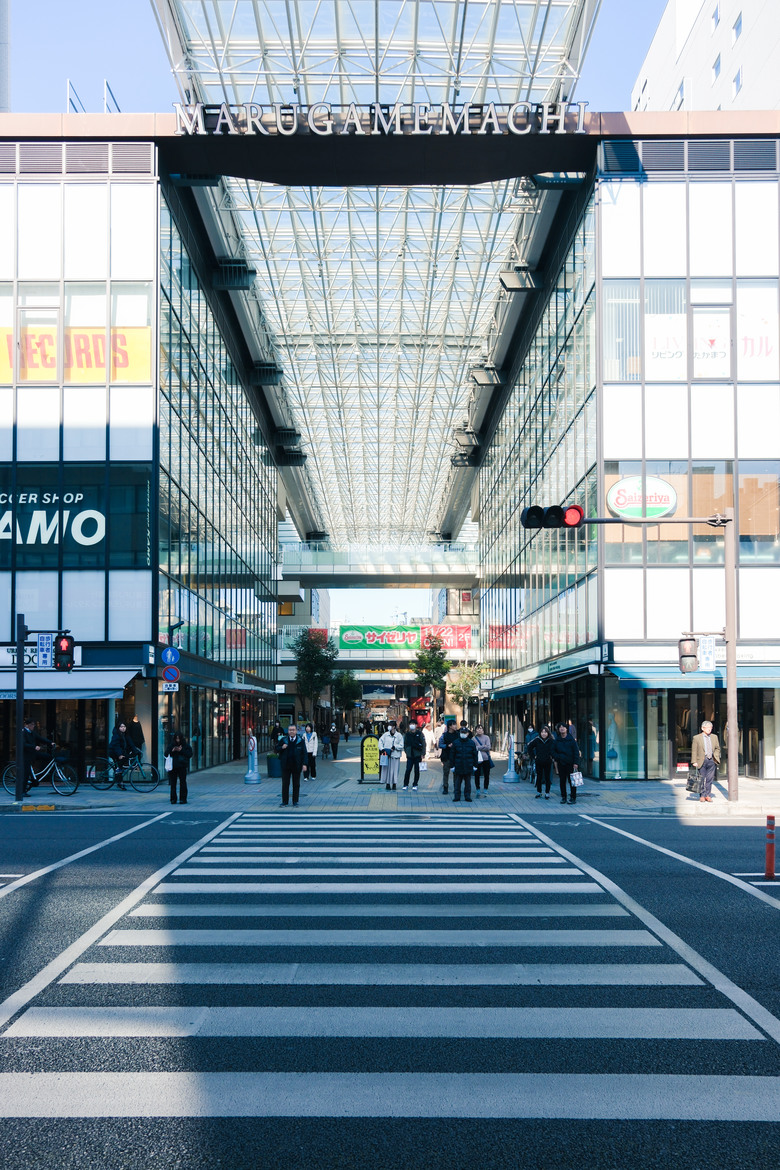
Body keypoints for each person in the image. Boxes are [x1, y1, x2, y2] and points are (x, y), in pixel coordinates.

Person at [277, 723, 307, 807]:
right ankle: (285, 801)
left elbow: (304, 753)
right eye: (290, 730)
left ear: (296, 731)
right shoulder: (284, 740)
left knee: (296, 784)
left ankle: (295, 801)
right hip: (286, 765)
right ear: (288, 731)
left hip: (296, 765)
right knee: (285, 784)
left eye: (293, 730)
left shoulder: (300, 741)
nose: (291, 732)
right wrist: (281, 747)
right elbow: (276, 749)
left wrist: (304, 764)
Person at [22, 716, 54, 793]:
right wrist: (34, 747)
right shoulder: (23, 732)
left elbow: (40, 738)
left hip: (33, 753)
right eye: (32, 725)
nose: (33, 726)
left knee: (48, 757)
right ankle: (22, 791)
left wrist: (50, 742)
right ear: (27, 725)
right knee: (26, 773)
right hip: (26, 755)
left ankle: (37, 775)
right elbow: (24, 744)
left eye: (34, 725)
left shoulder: (32, 733)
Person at [691, 719, 721, 803]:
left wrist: (716, 756)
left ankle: (708, 795)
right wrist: (694, 761)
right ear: (703, 728)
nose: (709, 729)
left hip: (711, 760)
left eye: (710, 728)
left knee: (710, 779)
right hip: (701, 760)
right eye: (708, 728)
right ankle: (702, 795)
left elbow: (717, 748)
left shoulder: (714, 737)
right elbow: (694, 750)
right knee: (701, 779)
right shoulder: (696, 738)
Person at [552, 721, 581, 805]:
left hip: (570, 763)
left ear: (566, 729)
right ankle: (563, 797)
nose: (562, 728)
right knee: (562, 781)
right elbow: (553, 751)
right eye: (560, 727)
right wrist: (557, 757)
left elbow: (576, 751)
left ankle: (573, 797)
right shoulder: (557, 740)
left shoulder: (571, 739)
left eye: (563, 727)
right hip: (561, 763)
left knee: (572, 781)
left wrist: (576, 762)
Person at [451, 725, 478, 803]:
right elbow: (452, 755)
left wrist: (475, 765)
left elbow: (475, 755)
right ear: (460, 733)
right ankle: (457, 796)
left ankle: (467, 796)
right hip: (458, 766)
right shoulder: (456, 742)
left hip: (468, 765)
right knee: (457, 783)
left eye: (464, 732)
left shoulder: (471, 743)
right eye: (462, 732)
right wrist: (452, 766)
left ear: (467, 734)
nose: (463, 734)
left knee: (468, 783)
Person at [109, 721, 138, 791]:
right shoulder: (116, 735)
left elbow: (131, 743)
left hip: (120, 751)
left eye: (124, 726)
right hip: (113, 752)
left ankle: (119, 779)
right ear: (118, 728)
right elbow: (116, 746)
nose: (123, 728)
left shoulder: (125, 734)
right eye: (121, 727)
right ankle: (120, 781)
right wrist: (119, 755)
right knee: (120, 766)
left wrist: (135, 750)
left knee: (123, 762)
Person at [165, 731, 192, 804]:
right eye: (176, 739)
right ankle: (173, 799)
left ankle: (183, 799)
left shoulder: (185, 745)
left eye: (179, 739)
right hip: (173, 767)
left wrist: (181, 750)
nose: (178, 740)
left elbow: (189, 754)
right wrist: (172, 750)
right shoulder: (171, 745)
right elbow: (166, 753)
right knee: (173, 783)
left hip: (182, 766)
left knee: (182, 782)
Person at [529, 725, 555, 799]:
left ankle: (547, 792)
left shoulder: (551, 741)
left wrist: (552, 757)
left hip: (548, 761)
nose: (544, 734)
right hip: (539, 761)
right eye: (542, 732)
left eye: (545, 732)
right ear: (540, 733)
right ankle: (539, 792)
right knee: (539, 777)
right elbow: (529, 747)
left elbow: (555, 749)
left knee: (547, 778)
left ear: (548, 733)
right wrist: (533, 756)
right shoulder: (537, 740)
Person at [378, 721, 403, 789]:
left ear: (394, 727)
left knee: (395, 770)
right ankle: (387, 783)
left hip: (395, 756)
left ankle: (394, 783)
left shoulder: (399, 735)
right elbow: (380, 741)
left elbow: (401, 745)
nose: (389, 727)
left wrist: (395, 747)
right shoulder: (385, 734)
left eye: (390, 725)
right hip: (386, 755)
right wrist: (382, 749)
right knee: (387, 770)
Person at [402, 720, 426, 791]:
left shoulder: (420, 733)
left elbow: (424, 744)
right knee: (408, 770)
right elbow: (405, 744)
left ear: (416, 725)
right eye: (410, 724)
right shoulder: (407, 734)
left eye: (413, 724)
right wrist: (406, 751)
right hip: (410, 755)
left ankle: (415, 784)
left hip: (417, 754)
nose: (412, 725)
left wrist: (423, 753)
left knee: (416, 770)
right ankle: (405, 784)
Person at [438, 719, 458, 794]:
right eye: (454, 724)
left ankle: (456, 787)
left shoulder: (458, 735)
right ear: (450, 726)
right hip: (446, 756)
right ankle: (445, 787)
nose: (455, 726)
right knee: (446, 772)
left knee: (456, 773)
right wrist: (447, 745)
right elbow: (440, 744)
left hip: (456, 757)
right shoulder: (444, 735)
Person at [473, 724, 493, 797]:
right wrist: (483, 746)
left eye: (481, 728)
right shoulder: (474, 739)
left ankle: (485, 788)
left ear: (483, 730)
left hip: (486, 759)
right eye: (478, 729)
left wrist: (479, 747)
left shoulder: (486, 737)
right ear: (475, 731)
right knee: (477, 775)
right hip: (477, 759)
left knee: (486, 774)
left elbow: (488, 747)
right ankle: (477, 788)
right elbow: (474, 748)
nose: (479, 730)